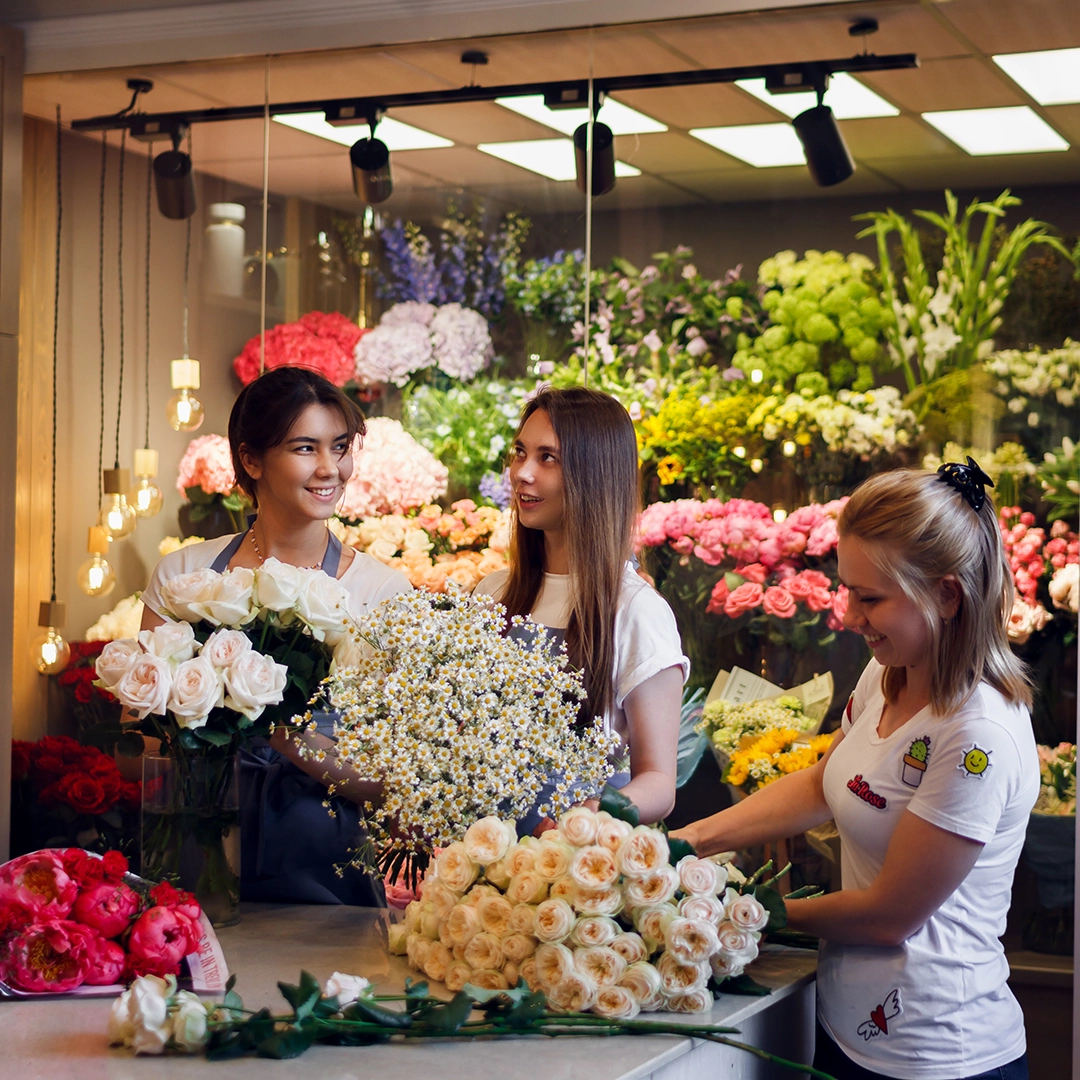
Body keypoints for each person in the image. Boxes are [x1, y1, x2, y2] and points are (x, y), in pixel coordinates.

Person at [673, 459, 1037, 1080]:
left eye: (870, 598)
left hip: (935, 1053)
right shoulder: (890, 672)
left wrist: (739, 909)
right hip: (848, 1027)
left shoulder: (978, 736)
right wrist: (689, 840)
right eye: (846, 589)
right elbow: (822, 781)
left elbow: (888, 914)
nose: (848, 615)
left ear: (947, 595)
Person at [141, 366, 411, 904]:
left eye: (340, 447)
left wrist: (271, 726)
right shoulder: (186, 579)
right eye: (306, 448)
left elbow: (393, 780)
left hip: (327, 878)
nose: (330, 469)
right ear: (251, 459)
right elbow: (139, 745)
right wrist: (200, 717)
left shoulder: (383, 592)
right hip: (196, 860)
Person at [474, 386, 688, 826]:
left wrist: (589, 817)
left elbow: (658, 783)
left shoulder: (636, 611)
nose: (521, 473)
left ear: (596, 473)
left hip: (570, 867)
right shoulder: (492, 594)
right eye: (519, 452)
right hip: (478, 855)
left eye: (547, 458)